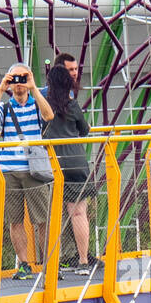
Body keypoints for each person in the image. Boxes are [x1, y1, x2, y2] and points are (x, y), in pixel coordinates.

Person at [0, 63, 55, 279]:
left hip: (34, 170)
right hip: (9, 170)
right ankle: (24, 264)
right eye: (14, 78)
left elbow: (49, 115)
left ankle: (48, 264)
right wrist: (0, 90)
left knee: (41, 219)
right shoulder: (5, 108)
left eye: (22, 77)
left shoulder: (36, 105)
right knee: (15, 220)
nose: (19, 83)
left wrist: (34, 87)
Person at [41, 64, 96, 275]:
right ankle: (83, 261)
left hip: (51, 164)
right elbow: (84, 130)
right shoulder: (72, 106)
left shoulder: (43, 105)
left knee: (52, 215)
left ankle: (52, 263)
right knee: (78, 213)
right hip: (76, 162)